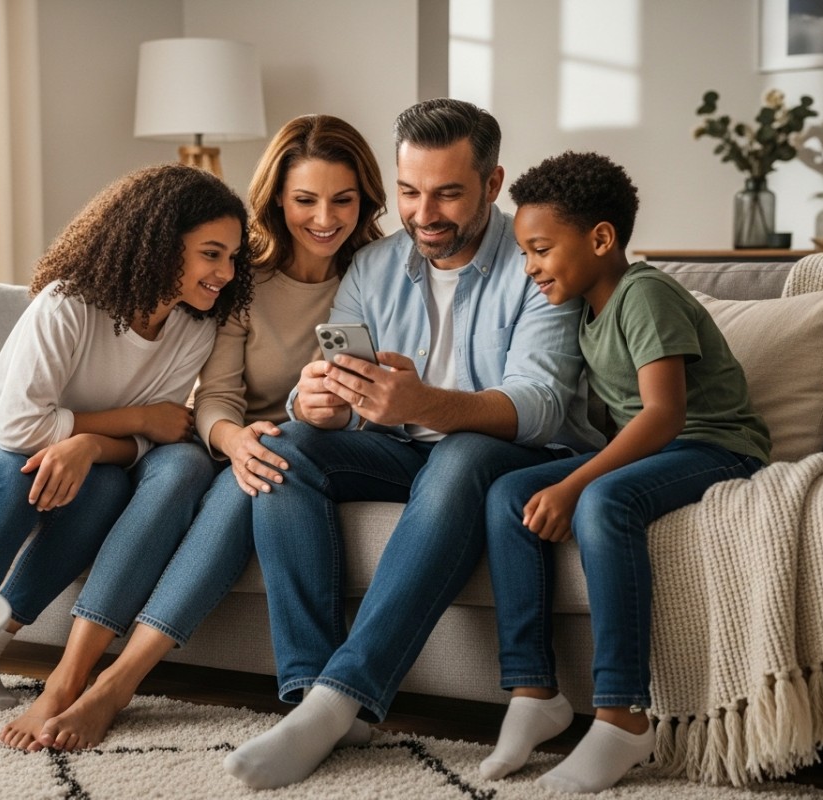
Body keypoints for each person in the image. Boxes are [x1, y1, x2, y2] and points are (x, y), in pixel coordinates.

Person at [222, 98, 606, 790]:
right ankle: (311, 690)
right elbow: (338, 389)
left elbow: (544, 405)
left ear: (492, 184)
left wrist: (425, 402)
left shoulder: (540, 257)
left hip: (515, 453)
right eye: (408, 191)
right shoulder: (373, 268)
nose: (424, 213)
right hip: (402, 451)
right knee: (290, 444)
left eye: (448, 193)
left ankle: (341, 698)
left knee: (458, 454)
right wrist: (319, 404)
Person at [0, 115, 388, 751]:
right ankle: (69, 678)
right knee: (229, 470)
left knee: (258, 475)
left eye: (343, 200)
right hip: (234, 441)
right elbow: (216, 396)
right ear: (277, 200)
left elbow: (384, 392)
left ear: (365, 200)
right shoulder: (239, 276)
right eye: (305, 200)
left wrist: (326, 417)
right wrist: (233, 440)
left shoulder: (377, 274)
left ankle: (116, 685)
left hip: (319, 450)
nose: (325, 217)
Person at [0, 164, 253, 734]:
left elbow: (149, 440)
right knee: (13, 477)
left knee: (104, 488)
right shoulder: (69, 304)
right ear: (162, 245)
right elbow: (19, 430)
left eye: (233, 257)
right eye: (211, 254)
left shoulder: (194, 330)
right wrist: (123, 424)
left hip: (56, 445)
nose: (226, 273)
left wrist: (90, 446)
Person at [478, 151, 771, 793]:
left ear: (601, 238)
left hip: (716, 445)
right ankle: (533, 693)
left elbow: (664, 415)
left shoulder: (645, 294)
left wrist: (575, 483)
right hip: (662, 450)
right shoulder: (585, 310)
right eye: (525, 253)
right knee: (507, 495)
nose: (530, 268)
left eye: (541, 249)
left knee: (603, 502)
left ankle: (622, 717)